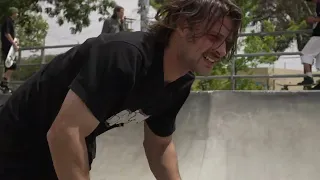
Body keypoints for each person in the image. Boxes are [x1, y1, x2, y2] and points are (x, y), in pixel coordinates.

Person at [0, 0, 242, 179]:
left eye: (227, 43)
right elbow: (65, 132)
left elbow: (160, 146)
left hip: (76, 139)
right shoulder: (125, 56)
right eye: (213, 37)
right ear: (182, 25)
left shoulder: (180, 83)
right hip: (17, 139)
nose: (221, 51)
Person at [0, 7, 19, 94]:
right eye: (16, 13)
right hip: (8, 46)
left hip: (9, 47)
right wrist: (14, 44)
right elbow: (7, 34)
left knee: (9, 66)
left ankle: (5, 85)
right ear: (13, 13)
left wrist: (15, 41)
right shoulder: (8, 21)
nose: (17, 15)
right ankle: (3, 84)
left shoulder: (10, 21)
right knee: (11, 65)